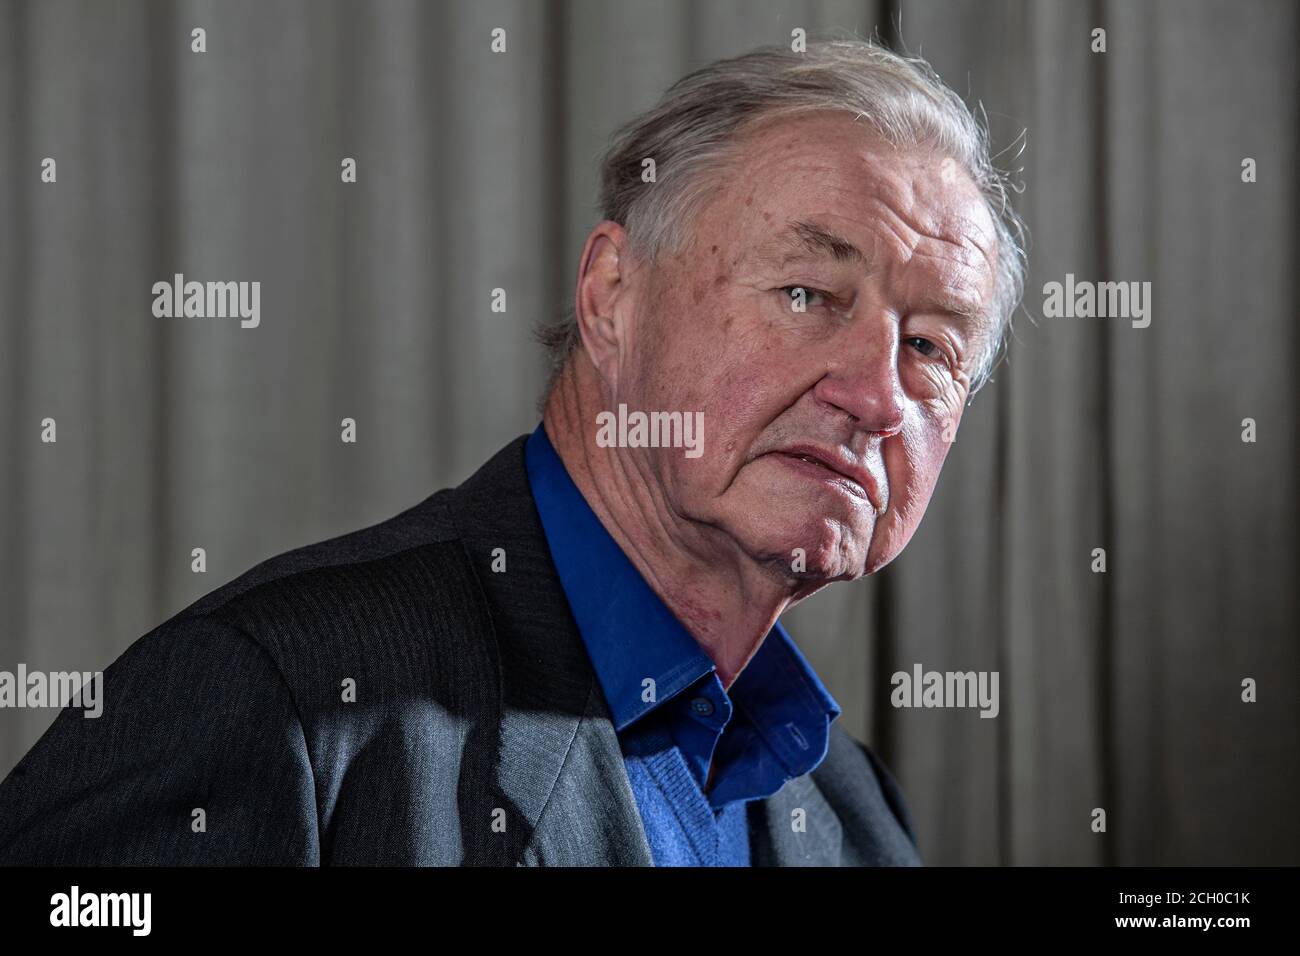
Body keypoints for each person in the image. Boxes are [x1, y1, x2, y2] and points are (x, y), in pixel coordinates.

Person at [0, 38, 1025, 866]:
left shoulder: (856, 812)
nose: (878, 392)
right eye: (807, 293)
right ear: (611, 297)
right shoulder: (279, 704)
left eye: (932, 347)